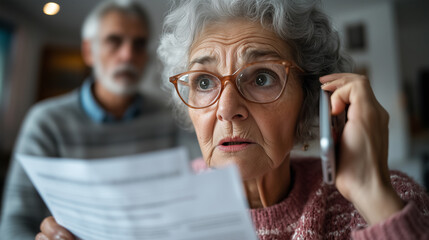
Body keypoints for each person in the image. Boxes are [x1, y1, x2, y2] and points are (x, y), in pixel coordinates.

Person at [36, 0, 429, 239]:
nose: (226, 108)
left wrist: (373, 197)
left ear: (311, 99)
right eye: (204, 81)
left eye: (261, 77)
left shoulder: (392, 199)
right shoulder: (148, 209)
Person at [0, 0, 199, 239]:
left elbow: (202, 184)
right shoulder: (46, 122)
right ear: (88, 52)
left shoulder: (172, 117)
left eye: (138, 44)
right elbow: (15, 221)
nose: (127, 54)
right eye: (114, 41)